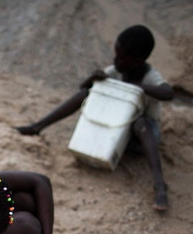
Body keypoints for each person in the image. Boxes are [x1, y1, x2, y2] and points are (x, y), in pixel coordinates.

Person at [16, 25, 174, 211]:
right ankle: (37, 127)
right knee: (86, 93)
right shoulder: (116, 70)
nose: (116, 60)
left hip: (140, 137)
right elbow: (83, 88)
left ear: (138, 60)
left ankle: (159, 184)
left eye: (121, 56)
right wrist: (93, 78)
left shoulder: (150, 76)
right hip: (114, 130)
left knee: (141, 123)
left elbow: (168, 92)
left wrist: (138, 87)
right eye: (115, 54)